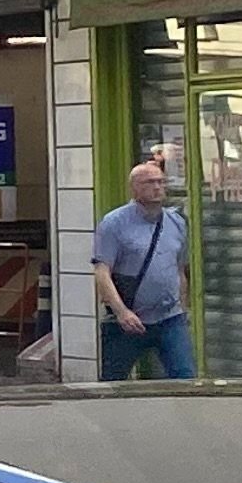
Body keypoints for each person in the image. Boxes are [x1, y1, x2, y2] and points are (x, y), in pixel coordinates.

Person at [91, 158, 195, 382]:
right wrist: (121, 312)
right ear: (135, 188)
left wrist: (183, 307)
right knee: (113, 380)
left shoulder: (176, 222)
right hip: (129, 319)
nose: (157, 187)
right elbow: (102, 272)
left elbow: (179, 268)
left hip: (169, 317)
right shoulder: (114, 223)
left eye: (160, 182)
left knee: (185, 377)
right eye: (149, 182)